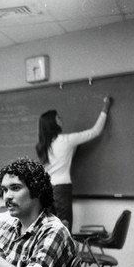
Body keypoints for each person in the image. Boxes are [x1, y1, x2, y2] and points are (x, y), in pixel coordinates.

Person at [36, 96, 112, 231]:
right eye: (58, 118)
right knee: (64, 230)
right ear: (53, 123)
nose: (61, 120)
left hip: (46, 190)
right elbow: (95, 131)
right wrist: (105, 108)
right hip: (61, 189)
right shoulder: (66, 140)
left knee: (49, 231)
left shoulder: (42, 146)